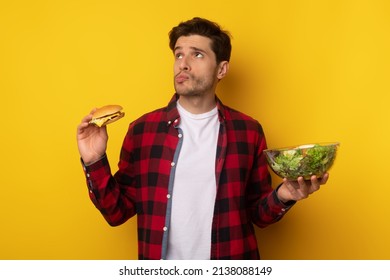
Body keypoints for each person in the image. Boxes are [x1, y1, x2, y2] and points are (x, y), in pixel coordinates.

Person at [77, 17, 329, 260]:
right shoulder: (142, 131)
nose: (182, 64)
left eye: (197, 54)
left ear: (222, 69)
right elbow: (116, 213)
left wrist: (284, 195)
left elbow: (258, 214)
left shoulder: (248, 131)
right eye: (178, 54)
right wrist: (94, 161)